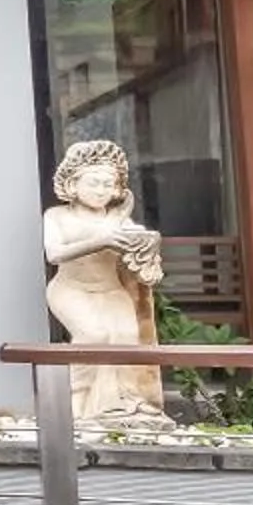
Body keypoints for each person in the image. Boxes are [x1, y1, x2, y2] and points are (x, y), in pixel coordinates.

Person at [42, 138, 170, 428]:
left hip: (111, 290)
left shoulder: (119, 220)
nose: (100, 191)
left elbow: (138, 247)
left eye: (107, 184)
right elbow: (54, 254)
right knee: (93, 336)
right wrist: (101, 240)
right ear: (73, 185)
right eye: (93, 183)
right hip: (71, 289)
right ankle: (75, 404)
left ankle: (123, 404)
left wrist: (145, 244)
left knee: (127, 336)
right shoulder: (57, 216)